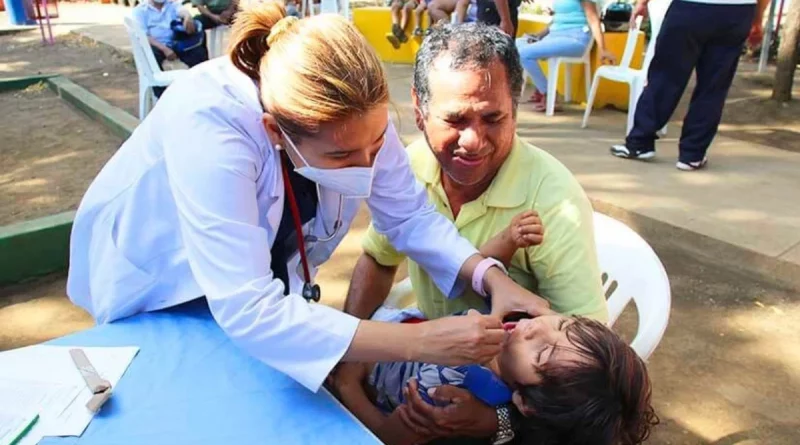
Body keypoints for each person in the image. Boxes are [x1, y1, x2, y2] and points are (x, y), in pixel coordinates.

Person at [67, 2, 549, 394]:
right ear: (277, 131)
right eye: (342, 155)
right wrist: (418, 341)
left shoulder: (357, 120)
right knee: (176, 389)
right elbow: (250, 307)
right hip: (158, 280)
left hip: (245, 291)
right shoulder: (211, 125)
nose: (367, 164)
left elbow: (411, 217)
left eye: (377, 143)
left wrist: (489, 277)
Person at [345, 22, 608, 441]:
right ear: (418, 108)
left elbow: (587, 364)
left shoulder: (554, 202)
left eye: (493, 118)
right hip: (419, 353)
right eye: (455, 119)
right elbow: (379, 258)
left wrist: (498, 423)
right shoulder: (409, 167)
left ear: (515, 108)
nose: (473, 140)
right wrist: (347, 353)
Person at [329, 313, 658, 445]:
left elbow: (387, 437)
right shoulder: (505, 336)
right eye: (563, 325)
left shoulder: (451, 399)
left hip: (352, 376)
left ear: (525, 402)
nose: (536, 327)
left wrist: (348, 385)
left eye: (542, 354)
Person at [610, 0, 770, 170]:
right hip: (737, 11)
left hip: (691, 7)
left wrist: (642, 3)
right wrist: (757, 19)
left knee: (665, 76)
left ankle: (640, 142)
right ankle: (692, 154)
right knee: (714, 86)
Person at [515, 0, 616, 112]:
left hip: (575, 38)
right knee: (515, 45)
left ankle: (548, 94)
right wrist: (538, 36)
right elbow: (557, 20)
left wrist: (603, 49)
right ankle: (542, 88)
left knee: (523, 54)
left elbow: (593, 19)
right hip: (554, 36)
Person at [132, 0, 209, 80]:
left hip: (176, 42)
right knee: (150, 54)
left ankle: (202, 82)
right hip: (157, 45)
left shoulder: (171, 4)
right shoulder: (140, 11)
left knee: (198, 49)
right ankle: (159, 89)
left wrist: (187, 17)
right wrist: (165, 49)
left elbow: (182, 11)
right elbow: (142, 36)